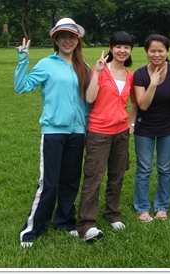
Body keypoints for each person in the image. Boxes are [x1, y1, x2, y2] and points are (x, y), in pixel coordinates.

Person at [14, 18, 90, 248]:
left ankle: (65, 221)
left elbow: (87, 102)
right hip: (53, 131)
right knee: (49, 183)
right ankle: (33, 228)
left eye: (71, 37)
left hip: (77, 132)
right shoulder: (47, 64)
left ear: (78, 40)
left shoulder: (84, 67)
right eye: (62, 37)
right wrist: (23, 60)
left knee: (70, 180)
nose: (67, 41)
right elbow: (22, 87)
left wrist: (87, 130)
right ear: (55, 40)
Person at [76, 31, 138, 243]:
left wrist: (131, 123)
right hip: (99, 132)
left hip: (121, 133)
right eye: (118, 46)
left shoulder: (130, 76)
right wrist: (98, 72)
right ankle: (87, 223)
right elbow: (90, 97)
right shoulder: (100, 70)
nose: (122, 50)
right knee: (94, 176)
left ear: (131, 50)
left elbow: (135, 103)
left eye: (126, 47)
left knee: (117, 175)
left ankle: (112, 213)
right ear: (111, 48)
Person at [132, 34, 170, 222]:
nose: (157, 54)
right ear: (146, 52)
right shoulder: (140, 74)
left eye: (161, 51)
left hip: (168, 127)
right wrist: (153, 83)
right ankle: (142, 207)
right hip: (144, 127)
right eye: (152, 51)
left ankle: (162, 206)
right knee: (144, 168)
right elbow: (143, 105)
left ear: (167, 52)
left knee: (165, 168)